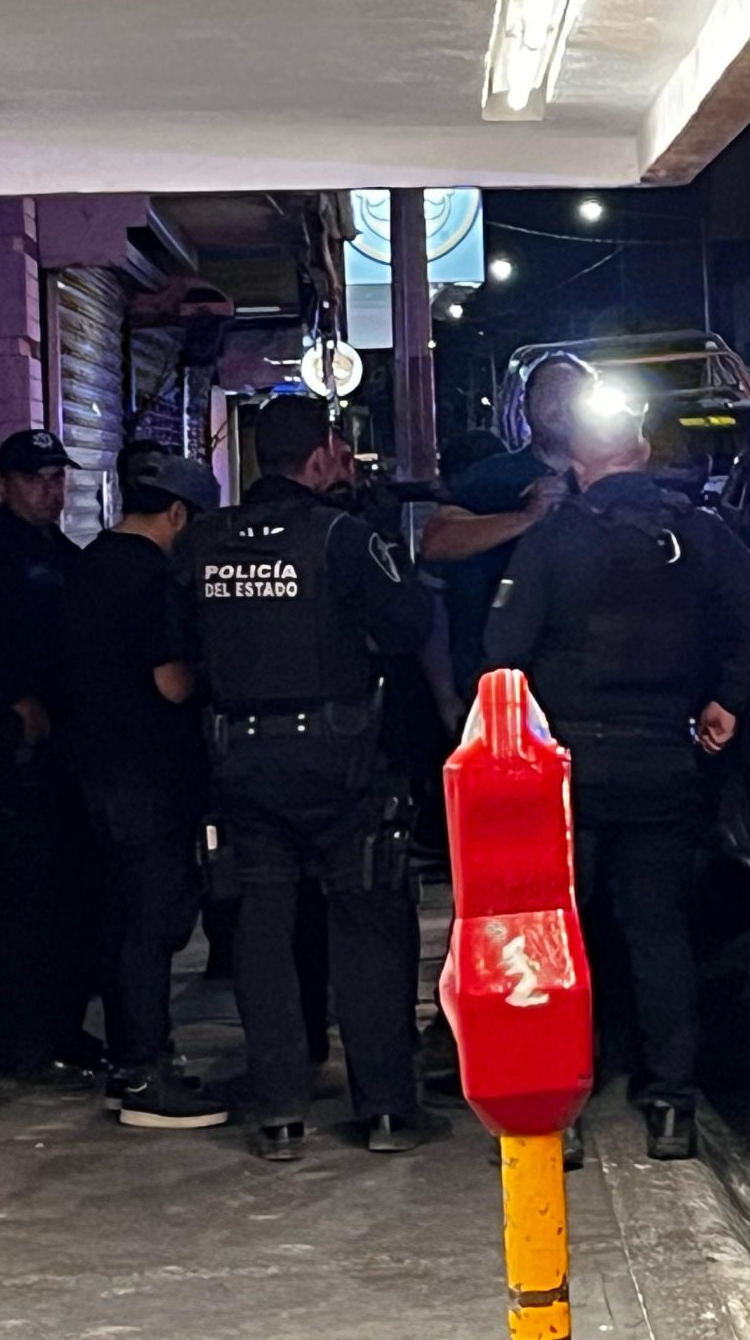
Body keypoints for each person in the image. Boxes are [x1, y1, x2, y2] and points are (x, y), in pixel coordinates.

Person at [484, 391, 750, 1161]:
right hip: (663, 758)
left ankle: (559, 1111)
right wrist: (729, 702)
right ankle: (670, 1107)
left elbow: (500, 653)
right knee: (659, 930)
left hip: (566, 770)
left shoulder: (553, 539)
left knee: (557, 936)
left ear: (576, 461)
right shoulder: (698, 533)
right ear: (644, 451)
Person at [183, 396, 431, 1160]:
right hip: (339, 763)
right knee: (367, 926)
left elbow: (178, 650)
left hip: (240, 764)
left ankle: (281, 1114)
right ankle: (384, 1109)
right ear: (321, 457)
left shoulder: (202, 541)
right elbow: (408, 626)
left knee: (261, 934)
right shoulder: (340, 537)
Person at [59, 452, 230, 1130]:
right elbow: (172, 683)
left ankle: (126, 1061)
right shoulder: (157, 578)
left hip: (94, 766)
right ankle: (145, 1072)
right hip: (150, 773)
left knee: (121, 915)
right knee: (151, 924)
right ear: (180, 515)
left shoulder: (86, 564)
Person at [0, 429, 101, 1080]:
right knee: (24, 904)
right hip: (13, 755)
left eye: (58, 479)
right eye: (36, 479)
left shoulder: (61, 551)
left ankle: (64, 1031)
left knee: (70, 894)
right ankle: (21, 1046)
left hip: (65, 753)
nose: (50, 491)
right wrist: (14, 701)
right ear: (3, 485)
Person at [422, 353, 591, 704]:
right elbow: (437, 542)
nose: (563, 405)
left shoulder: (612, 479)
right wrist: (527, 516)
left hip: (589, 687)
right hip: (496, 687)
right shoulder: (489, 478)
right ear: (525, 407)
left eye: (574, 394)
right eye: (551, 393)